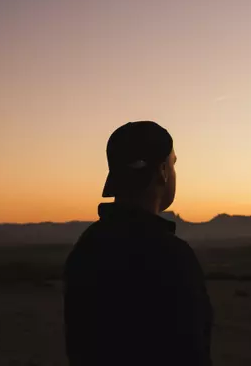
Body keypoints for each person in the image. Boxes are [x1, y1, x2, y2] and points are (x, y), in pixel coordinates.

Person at [64, 121, 213, 366]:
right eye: (173, 164)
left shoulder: (88, 247)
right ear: (163, 171)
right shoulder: (171, 256)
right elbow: (191, 350)